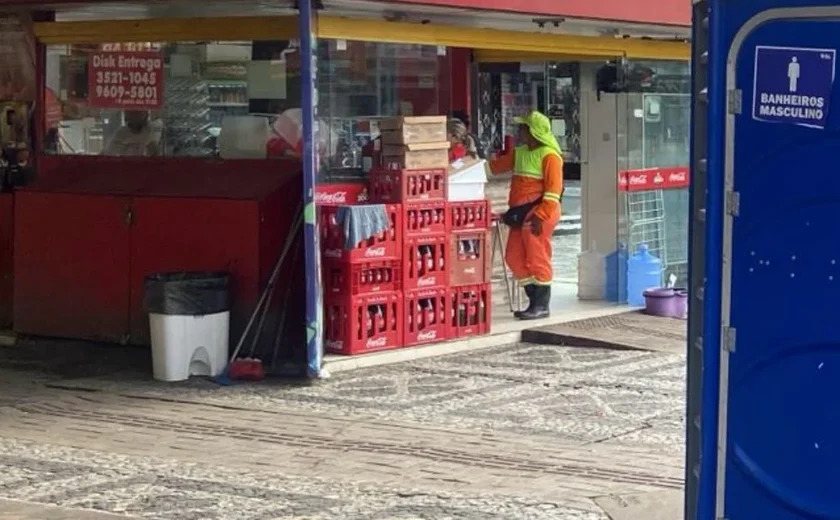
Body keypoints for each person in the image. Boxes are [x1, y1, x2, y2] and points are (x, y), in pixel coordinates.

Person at [489, 110, 563, 320]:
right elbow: (494, 168)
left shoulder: (550, 156)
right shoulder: (520, 152)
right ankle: (534, 300)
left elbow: (553, 191)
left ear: (533, 132)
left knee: (538, 256)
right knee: (513, 257)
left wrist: (540, 216)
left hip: (539, 214)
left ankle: (541, 305)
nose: (519, 131)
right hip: (522, 214)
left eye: (523, 128)